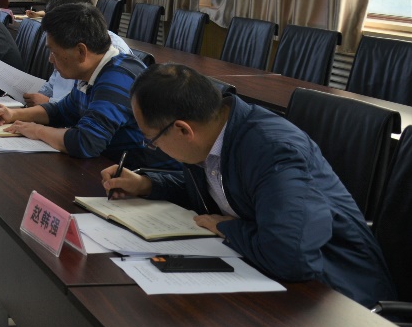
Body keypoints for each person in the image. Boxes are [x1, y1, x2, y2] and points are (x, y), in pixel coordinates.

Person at [101, 64, 395, 307]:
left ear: (182, 129)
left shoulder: (273, 151)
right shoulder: (213, 132)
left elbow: (291, 257)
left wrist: (227, 228)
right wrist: (147, 184)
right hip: (273, 273)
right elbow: (219, 189)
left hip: (340, 294)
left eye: (151, 140)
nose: (153, 147)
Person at [0, 3, 171, 167]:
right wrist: (14, 114)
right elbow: (62, 111)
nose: (51, 59)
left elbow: (86, 142)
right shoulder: (92, 72)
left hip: (150, 178)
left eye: (54, 52)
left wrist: (37, 131)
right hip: (112, 168)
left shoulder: (118, 77)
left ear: (81, 51)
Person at [22, 0, 134, 106]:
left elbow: (90, 111)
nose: (50, 59)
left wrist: (49, 103)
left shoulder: (111, 55)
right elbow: (61, 96)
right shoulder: (66, 50)